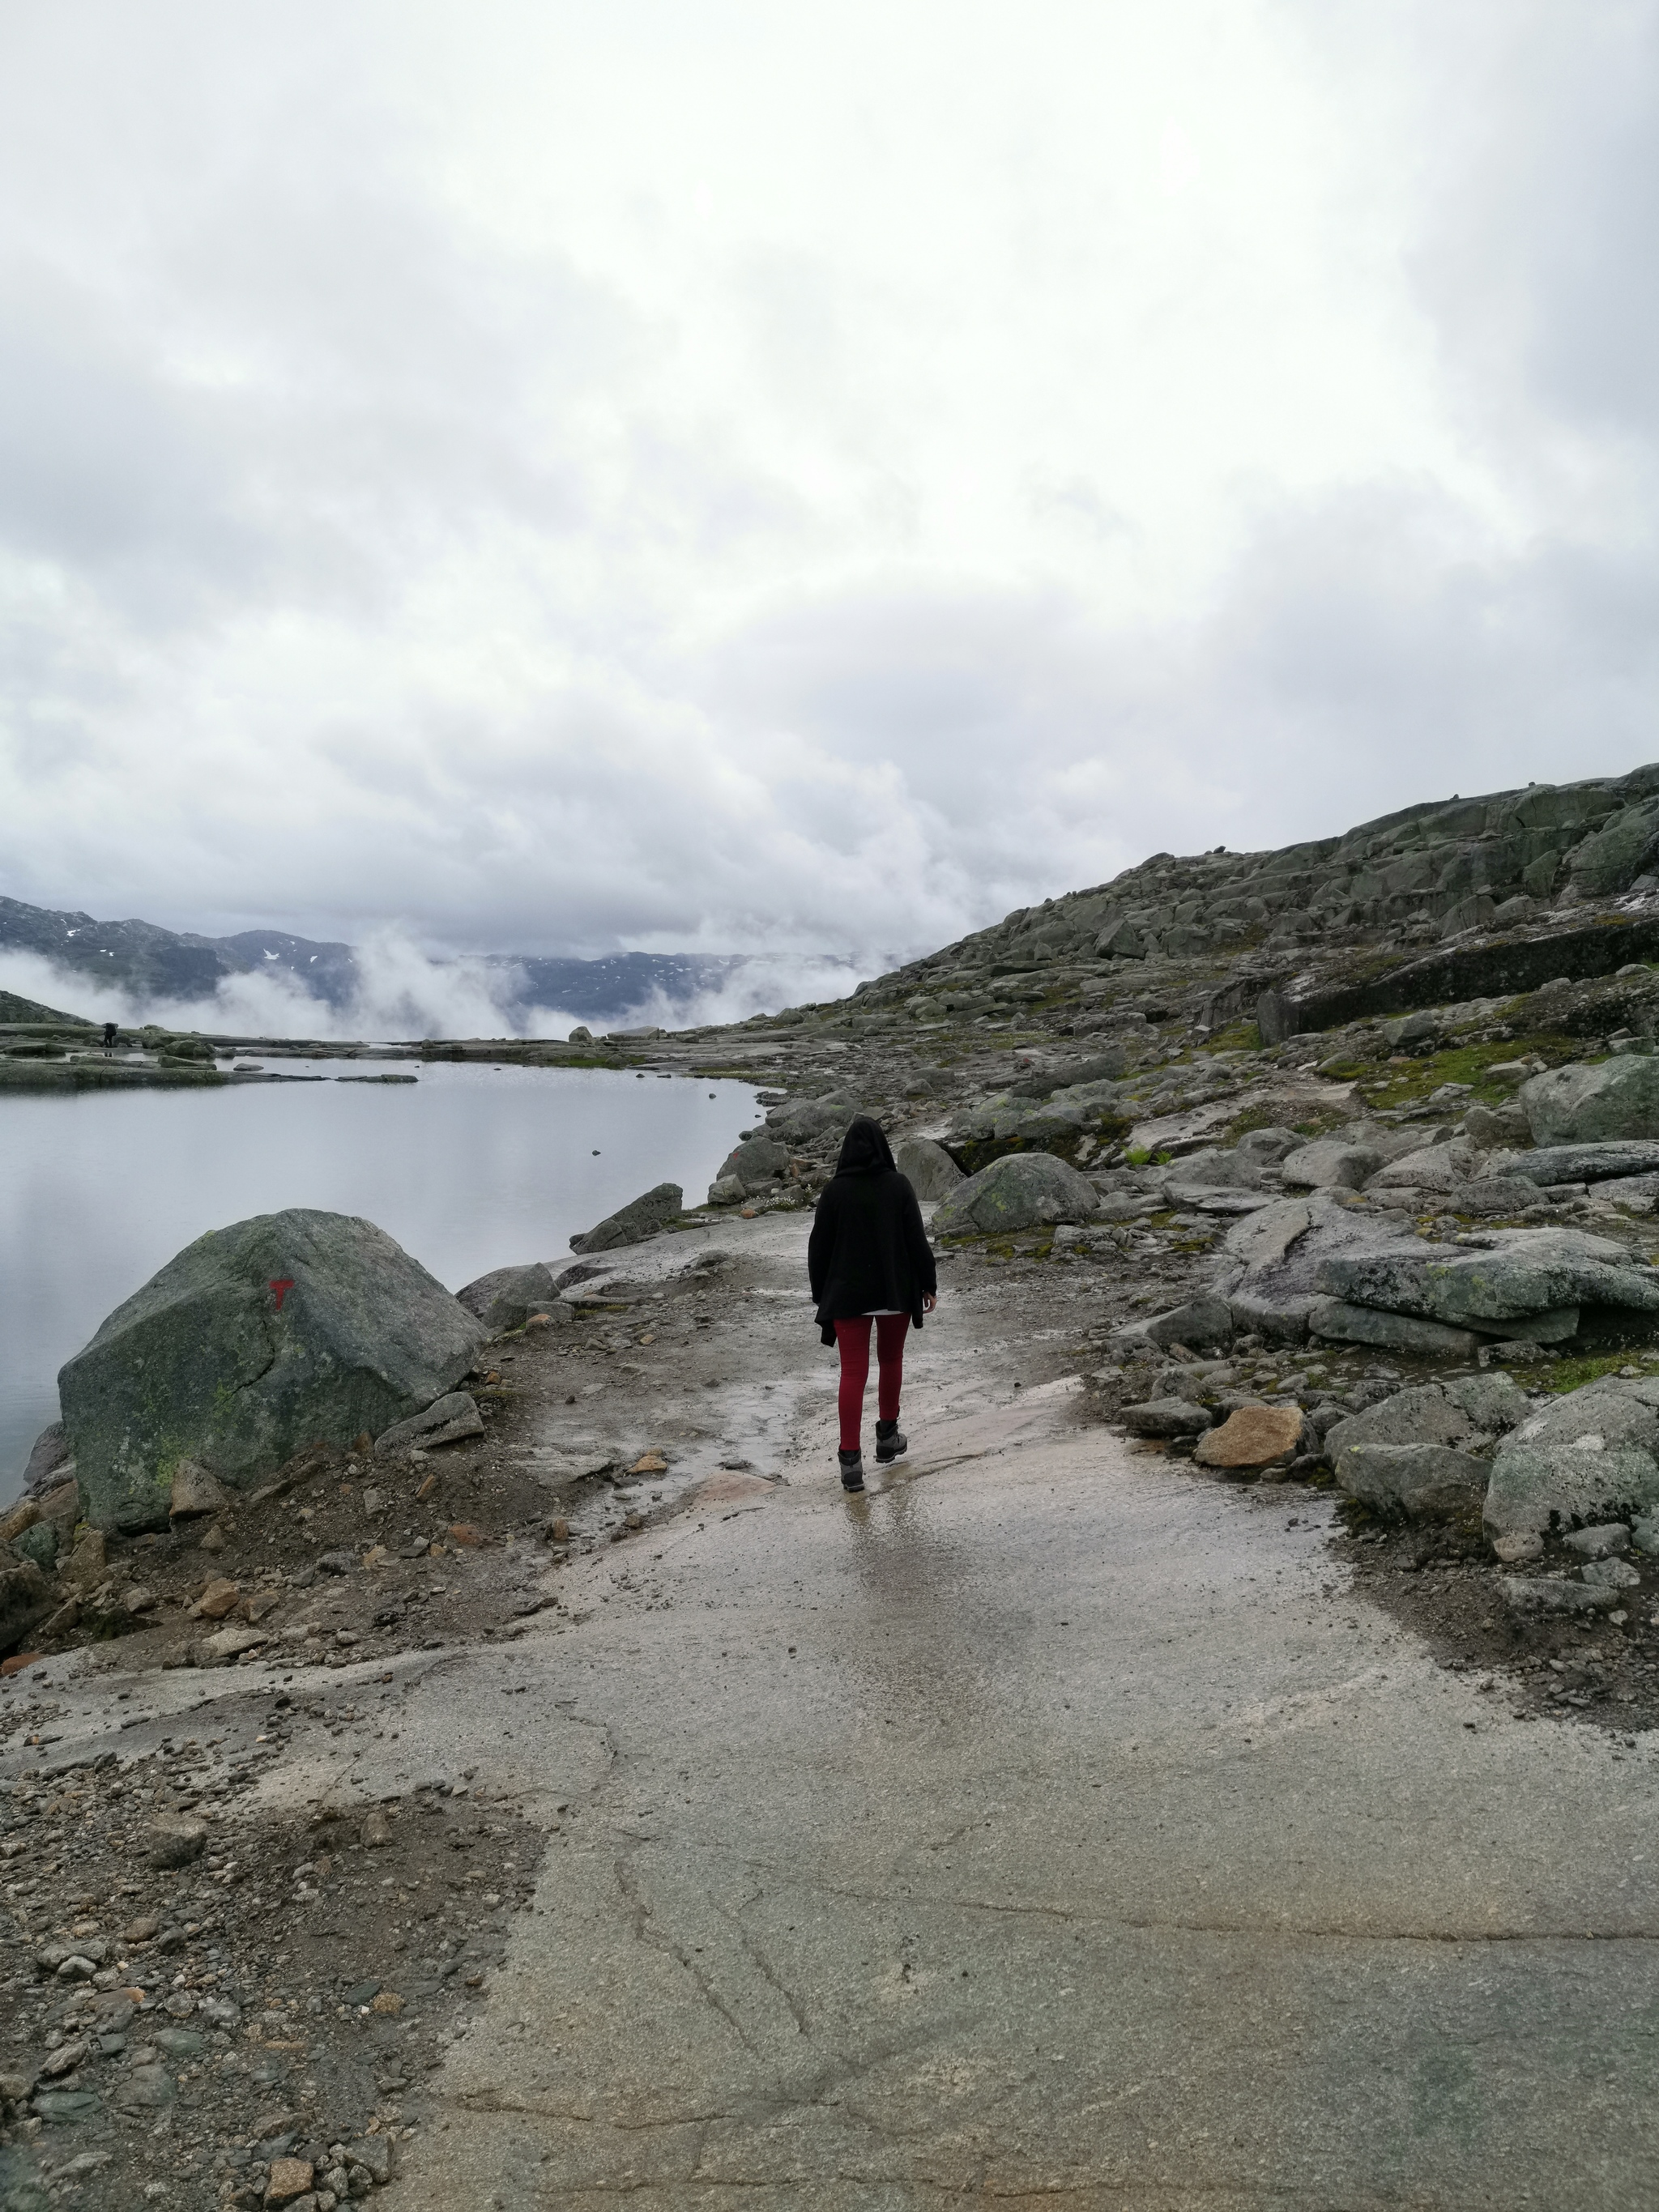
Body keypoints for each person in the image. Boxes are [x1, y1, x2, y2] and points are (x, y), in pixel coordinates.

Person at [808, 1115, 937, 1492]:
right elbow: (916, 1240)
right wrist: (928, 1283)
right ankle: (887, 1437)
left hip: (848, 1297)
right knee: (891, 1360)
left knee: (852, 1373)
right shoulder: (898, 1186)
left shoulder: (834, 1192)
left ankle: (850, 1463)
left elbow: (818, 1250)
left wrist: (822, 1295)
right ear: (884, 1147)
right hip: (894, 1292)